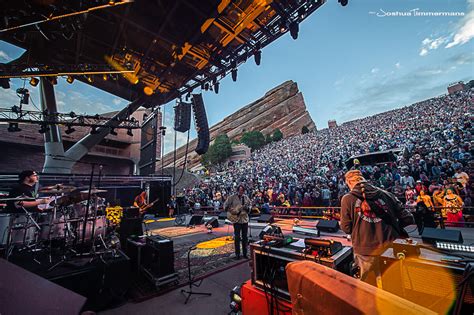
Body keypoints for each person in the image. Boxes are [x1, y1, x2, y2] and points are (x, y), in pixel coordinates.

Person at [340, 170, 412, 285]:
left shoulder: (347, 199)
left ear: (349, 182)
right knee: (393, 285)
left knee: (368, 288)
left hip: (365, 249)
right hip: (389, 246)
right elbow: (407, 217)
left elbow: (346, 227)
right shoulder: (386, 194)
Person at [224, 184, 251, 260]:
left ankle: (245, 253)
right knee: (237, 237)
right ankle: (237, 254)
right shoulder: (231, 198)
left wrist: (248, 208)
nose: (241, 191)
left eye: (242, 190)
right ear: (237, 190)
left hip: (244, 219)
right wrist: (233, 211)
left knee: (245, 237)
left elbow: (250, 206)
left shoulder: (246, 198)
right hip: (236, 220)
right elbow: (225, 206)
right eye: (240, 190)